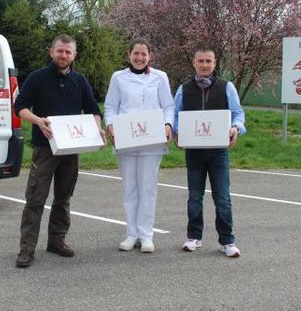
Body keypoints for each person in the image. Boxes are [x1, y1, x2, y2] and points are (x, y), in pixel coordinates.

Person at [13, 35, 106, 268]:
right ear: (51, 52)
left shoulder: (80, 80)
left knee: (63, 198)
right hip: (44, 149)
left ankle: (57, 241)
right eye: (59, 51)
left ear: (74, 56)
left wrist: (97, 128)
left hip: (70, 150)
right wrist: (37, 121)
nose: (63, 55)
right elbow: (20, 107)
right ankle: (26, 249)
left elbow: (94, 109)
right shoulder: (37, 78)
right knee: (35, 199)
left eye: (68, 52)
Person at [173, 49, 246, 258]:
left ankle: (227, 241)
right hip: (194, 152)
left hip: (218, 152)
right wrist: (177, 131)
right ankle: (193, 237)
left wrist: (235, 128)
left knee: (222, 197)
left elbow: (238, 113)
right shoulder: (183, 89)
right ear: (194, 63)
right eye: (200, 61)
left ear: (215, 63)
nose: (204, 65)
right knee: (194, 197)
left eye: (208, 61)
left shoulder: (226, 87)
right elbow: (175, 114)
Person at [104, 39, 175, 253]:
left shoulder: (160, 77)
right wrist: (110, 126)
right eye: (136, 53)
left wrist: (168, 124)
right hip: (126, 139)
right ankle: (131, 234)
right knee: (130, 188)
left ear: (149, 56)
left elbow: (168, 106)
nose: (139, 58)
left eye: (144, 54)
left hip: (152, 140)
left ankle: (146, 236)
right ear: (129, 54)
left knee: (148, 188)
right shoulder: (118, 77)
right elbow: (110, 107)